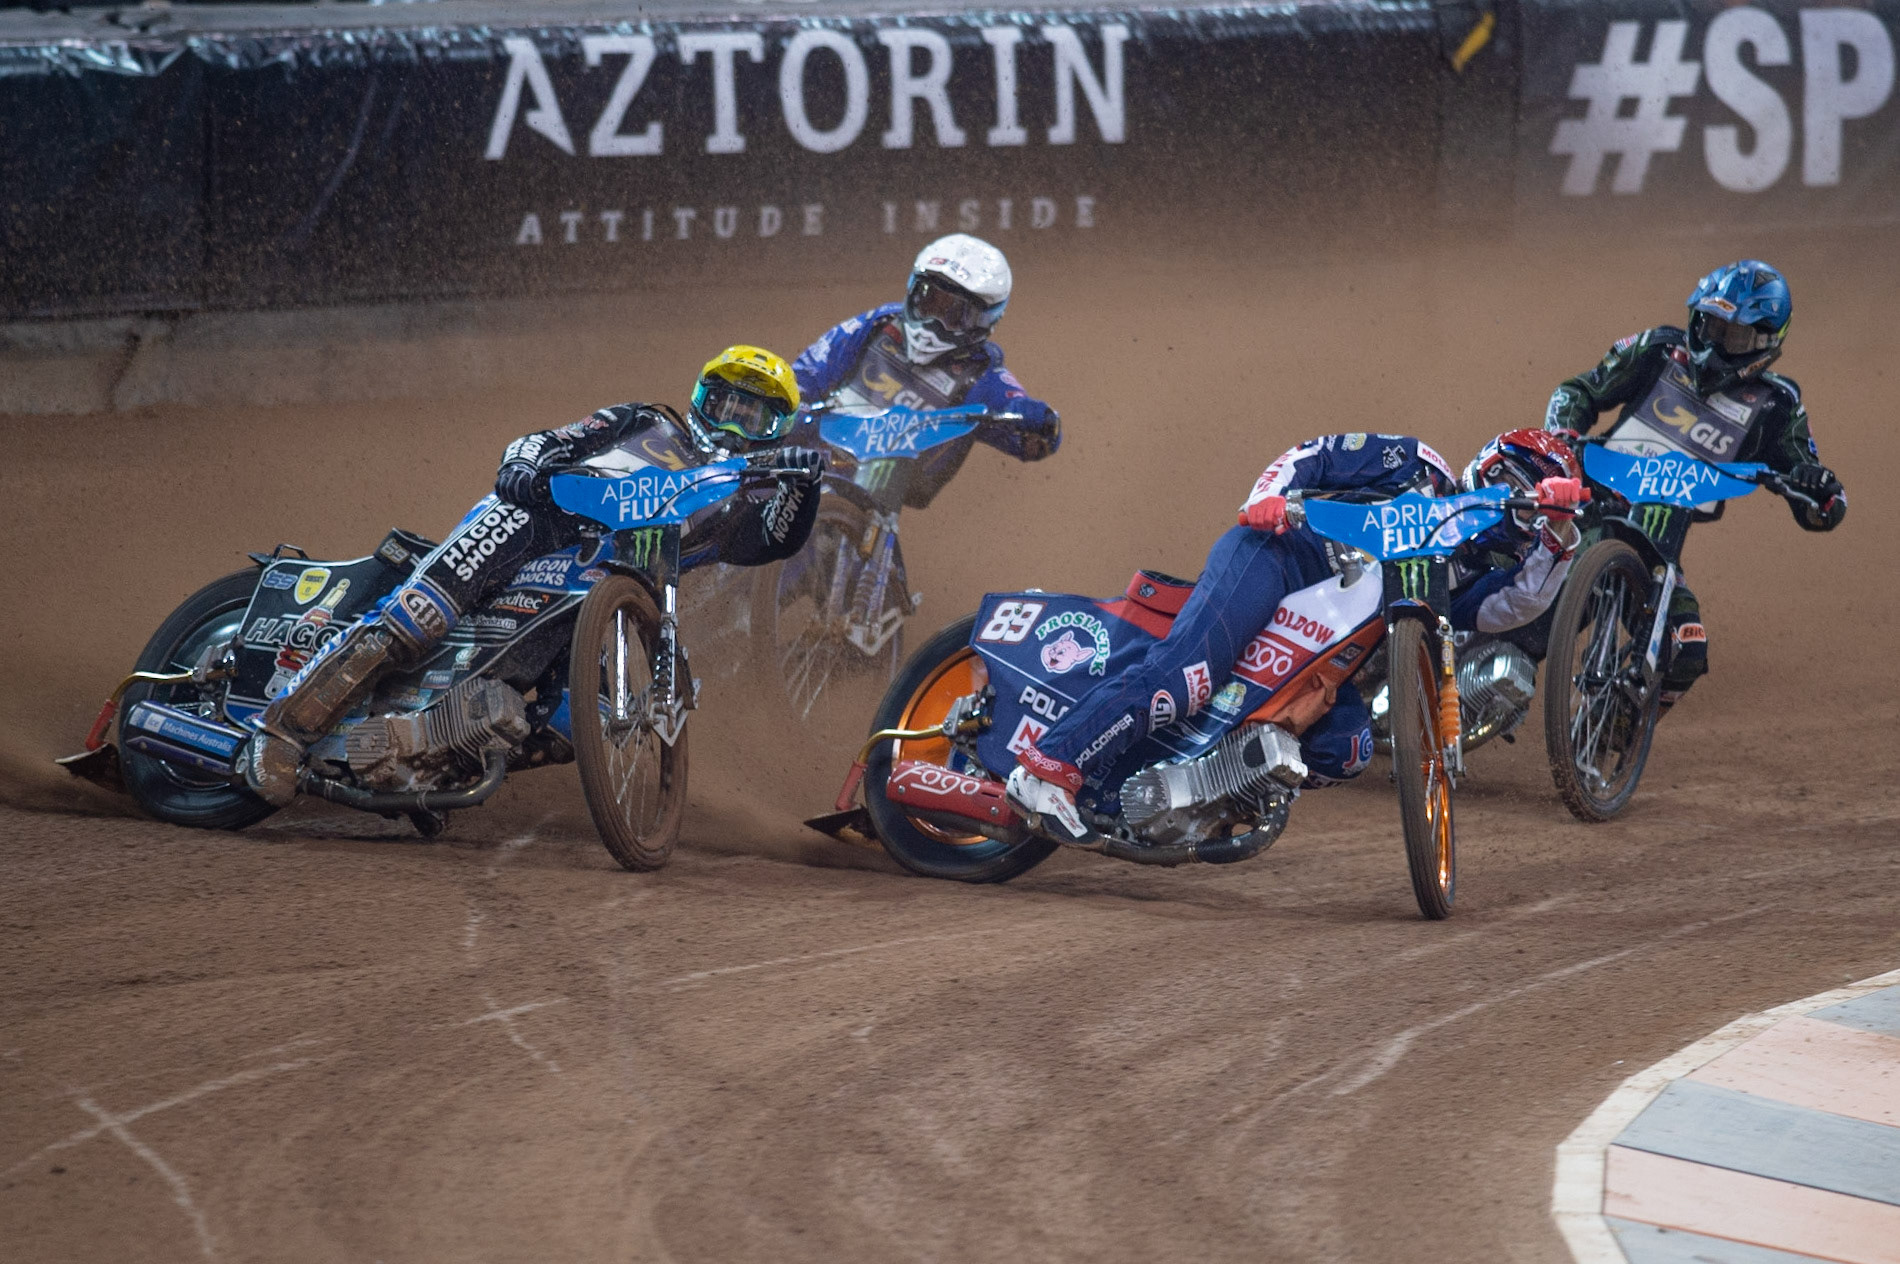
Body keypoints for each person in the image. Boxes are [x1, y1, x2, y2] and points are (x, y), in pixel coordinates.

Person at [241, 346, 828, 805]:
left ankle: (441, 753)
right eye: (727, 402)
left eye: (755, 415)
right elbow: (545, 441)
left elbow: (775, 540)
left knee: (582, 720)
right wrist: (526, 470)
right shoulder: (645, 421)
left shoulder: (736, 504)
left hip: (604, 588)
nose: (734, 422)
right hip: (534, 523)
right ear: (702, 398)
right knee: (420, 617)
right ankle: (282, 731)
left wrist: (805, 487)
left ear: (777, 429)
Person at [1004, 432, 1586, 845]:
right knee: (1185, 677)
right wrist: (1267, 498)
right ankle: (1048, 768)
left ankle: (1201, 798)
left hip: (1322, 661)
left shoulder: (1458, 572)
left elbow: (1518, 604)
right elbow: (1319, 452)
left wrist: (1563, 539)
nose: (1516, 505)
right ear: (1487, 463)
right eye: (1511, 483)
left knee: (1347, 750)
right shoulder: (1418, 465)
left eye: (1534, 509)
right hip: (1278, 558)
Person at [1544, 259, 1847, 711]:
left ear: (1766, 342)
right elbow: (1577, 392)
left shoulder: (1775, 404)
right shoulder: (1657, 350)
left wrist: (1817, 485)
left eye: (1733, 335)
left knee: (1687, 649)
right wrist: (1563, 442)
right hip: (1586, 508)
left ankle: (1618, 724)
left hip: (1659, 553)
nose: (1715, 342)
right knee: (1527, 607)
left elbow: (1819, 501)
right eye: (1710, 324)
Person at [791, 233, 1061, 505]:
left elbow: (1032, 439)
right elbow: (806, 374)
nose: (933, 323)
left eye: (954, 315)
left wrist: (1036, 421)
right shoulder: (880, 325)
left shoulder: (981, 374)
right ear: (912, 291)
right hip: (809, 461)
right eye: (928, 302)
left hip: (880, 494)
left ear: (984, 321)